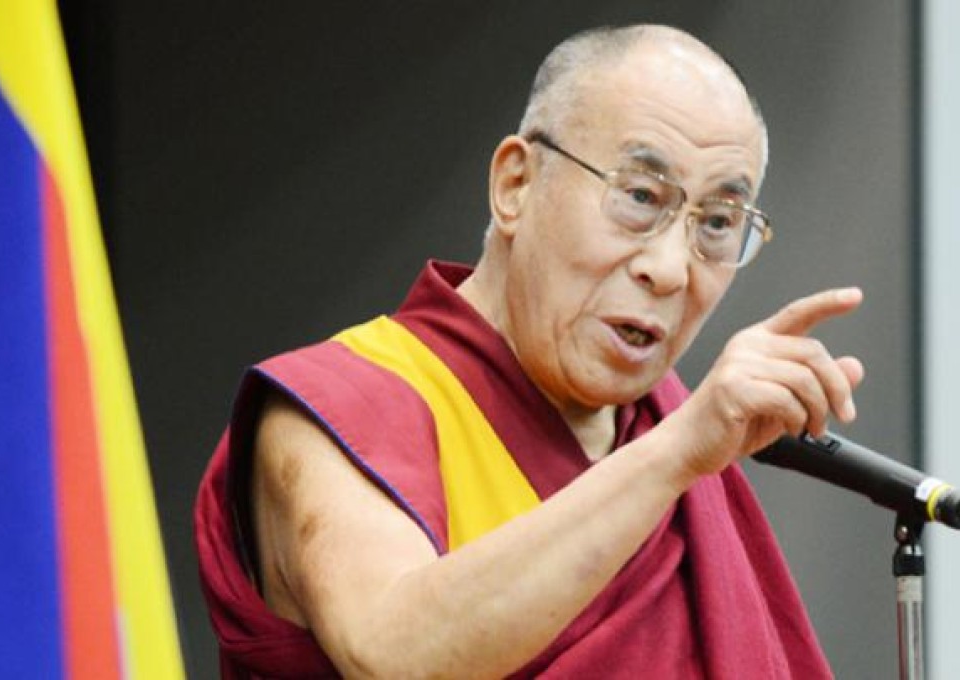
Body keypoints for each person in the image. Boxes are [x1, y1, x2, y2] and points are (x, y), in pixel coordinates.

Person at [195, 24, 864, 678]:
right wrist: (675, 455)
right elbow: (390, 653)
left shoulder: (669, 437)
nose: (670, 268)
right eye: (638, 196)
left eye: (717, 224)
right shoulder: (337, 406)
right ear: (515, 185)